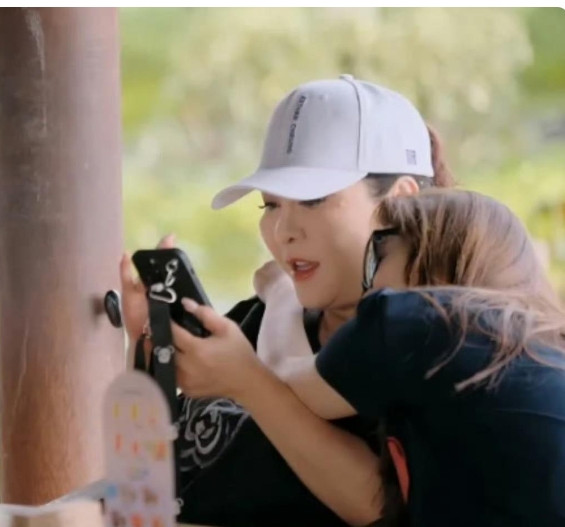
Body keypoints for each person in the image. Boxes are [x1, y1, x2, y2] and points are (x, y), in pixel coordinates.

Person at [120, 74, 453, 527]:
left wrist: (250, 383)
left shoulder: (433, 351)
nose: (283, 231)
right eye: (270, 205)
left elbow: (382, 507)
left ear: (399, 203)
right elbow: (139, 485)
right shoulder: (252, 322)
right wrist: (147, 358)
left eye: (312, 198)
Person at [173, 189, 565, 527]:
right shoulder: (530, 342)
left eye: (377, 252)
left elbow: (288, 375)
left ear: (429, 252)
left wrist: (280, 291)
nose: (368, 282)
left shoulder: (420, 318)